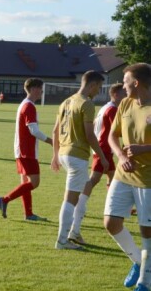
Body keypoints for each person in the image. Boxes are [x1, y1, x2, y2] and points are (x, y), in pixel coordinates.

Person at [103, 63, 151, 290]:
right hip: (123, 174)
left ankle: (145, 280)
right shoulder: (125, 103)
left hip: (147, 179)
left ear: (137, 83)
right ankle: (136, 261)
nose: (123, 85)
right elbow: (112, 136)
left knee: (146, 231)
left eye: (126, 80)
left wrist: (144, 149)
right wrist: (121, 157)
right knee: (110, 223)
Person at [51, 70, 108, 250]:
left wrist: (55, 155)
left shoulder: (66, 102)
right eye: (98, 87)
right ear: (91, 85)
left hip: (65, 153)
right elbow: (90, 135)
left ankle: (74, 232)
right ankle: (62, 240)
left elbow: (55, 131)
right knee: (70, 199)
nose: (99, 91)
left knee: (82, 192)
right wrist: (102, 156)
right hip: (77, 155)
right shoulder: (87, 104)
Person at [69, 83, 126, 245]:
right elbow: (120, 130)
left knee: (113, 177)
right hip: (104, 149)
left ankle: (113, 207)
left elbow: (95, 125)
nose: (126, 97)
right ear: (115, 94)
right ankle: (79, 204)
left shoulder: (104, 108)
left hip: (102, 148)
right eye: (123, 94)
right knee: (93, 180)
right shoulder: (113, 109)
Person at [0, 78, 52, 221]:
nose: (42, 91)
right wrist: (50, 141)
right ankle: (5, 199)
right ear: (34, 89)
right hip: (27, 151)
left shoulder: (24, 104)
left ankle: (28, 214)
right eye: (40, 88)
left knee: (25, 183)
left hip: (21, 150)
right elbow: (33, 130)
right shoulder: (29, 106)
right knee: (34, 182)